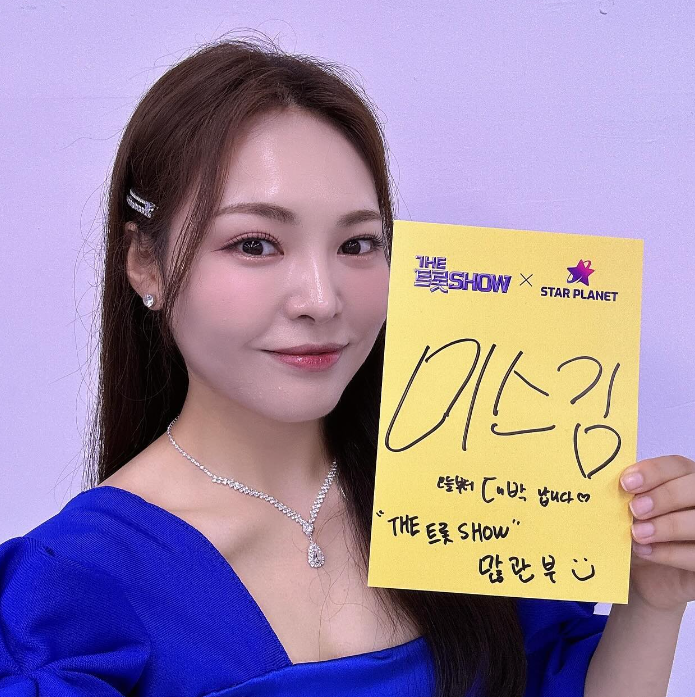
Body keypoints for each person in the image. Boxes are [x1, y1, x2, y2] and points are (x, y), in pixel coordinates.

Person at [0, 35, 692, 697]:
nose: (322, 299)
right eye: (255, 244)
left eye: (357, 244)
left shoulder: (470, 496)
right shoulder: (74, 584)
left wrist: (653, 600)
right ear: (145, 263)